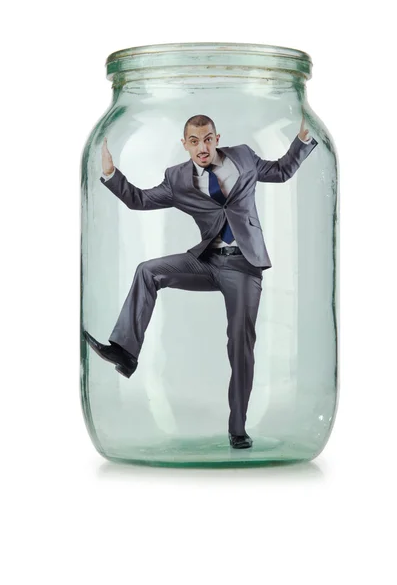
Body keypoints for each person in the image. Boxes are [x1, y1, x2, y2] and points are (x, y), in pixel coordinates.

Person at [83, 114, 318, 449]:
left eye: (207, 139)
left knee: (240, 344)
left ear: (216, 138)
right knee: (148, 270)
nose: (202, 147)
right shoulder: (177, 178)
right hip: (206, 260)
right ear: (185, 145)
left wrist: (303, 140)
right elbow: (139, 200)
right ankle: (124, 352)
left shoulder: (245, 157)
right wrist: (110, 173)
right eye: (194, 141)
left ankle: (238, 429)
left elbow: (281, 171)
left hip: (244, 265)